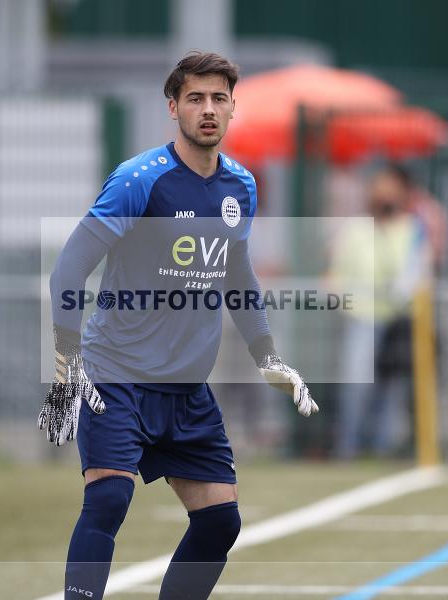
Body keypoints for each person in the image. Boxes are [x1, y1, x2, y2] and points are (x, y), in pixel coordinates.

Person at [38, 52, 318, 600]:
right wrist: (67, 363)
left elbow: (239, 276)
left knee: (220, 522)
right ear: (174, 108)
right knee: (109, 501)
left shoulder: (242, 186)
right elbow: (69, 270)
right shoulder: (139, 180)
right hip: (115, 378)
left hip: (187, 390)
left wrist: (267, 356)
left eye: (218, 98)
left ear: (233, 107)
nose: (208, 109)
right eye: (195, 98)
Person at [329, 167, 431, 458]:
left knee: (392, 386)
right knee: (356, 383)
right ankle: (348, 446)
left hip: (399, 318)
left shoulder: (413, 229)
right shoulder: (356, 229)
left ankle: (380, 446)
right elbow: (337, 273)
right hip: (361, 315)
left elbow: (419, 271)